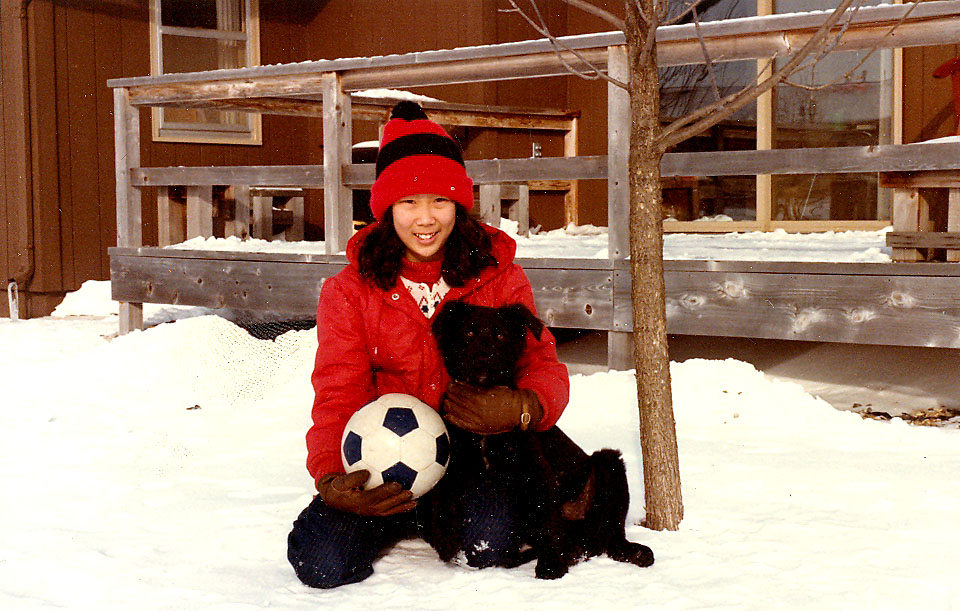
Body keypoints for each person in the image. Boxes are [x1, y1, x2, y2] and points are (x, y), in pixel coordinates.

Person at [287, 101, 569, 589]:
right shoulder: (349, 291)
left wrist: (524, 406)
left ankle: (447, 517)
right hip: (383, 464)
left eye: (439, 200)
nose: (425, 219)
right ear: (385, 209)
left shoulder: (499, 276)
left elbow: (542, 363)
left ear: (459, 204)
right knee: (321, 563)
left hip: (470, 459)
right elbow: (338, 391)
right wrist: (331, 477)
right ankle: (395, 517)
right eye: (408, 202)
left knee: (490, 545)